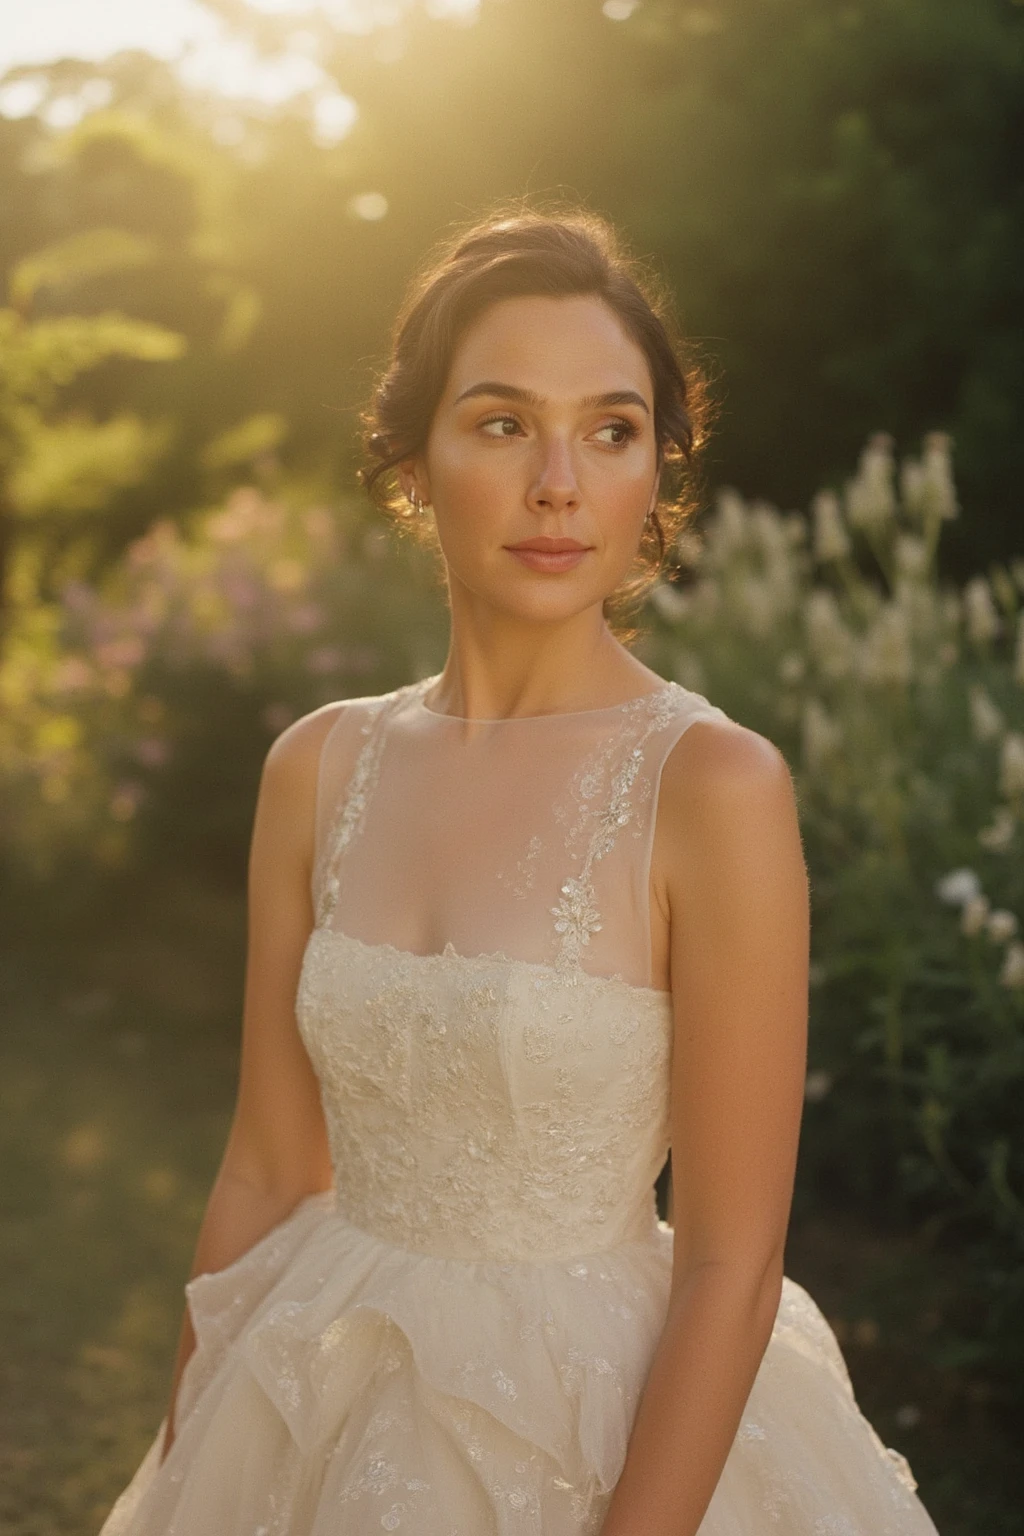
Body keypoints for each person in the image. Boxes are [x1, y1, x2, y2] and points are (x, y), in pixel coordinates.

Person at [99, 206, 941, 1536]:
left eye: (610, 430)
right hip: (319, 1389)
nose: (560, 482)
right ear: (414, 459)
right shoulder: (319, 765)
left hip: (604, 1428)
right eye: (502, 422)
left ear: (655, 468)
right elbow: (267, 1164)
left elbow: (733, 1259)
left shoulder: (712, 787)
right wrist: (192, 1442)